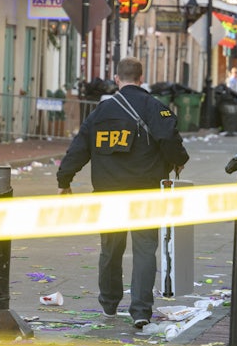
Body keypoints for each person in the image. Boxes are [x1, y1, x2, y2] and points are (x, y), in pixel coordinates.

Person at [56, 57, 189, 329]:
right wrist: (179, 159)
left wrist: (64, 180)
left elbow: (79, 147)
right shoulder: (154, 107)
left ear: (117, 79)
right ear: (141, 78)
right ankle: (140, 311)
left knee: (111, 249)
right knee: (144, 250)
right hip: (145, 192)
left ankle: (109, 304)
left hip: (108, 193)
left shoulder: (100, 112)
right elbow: (170, 140)